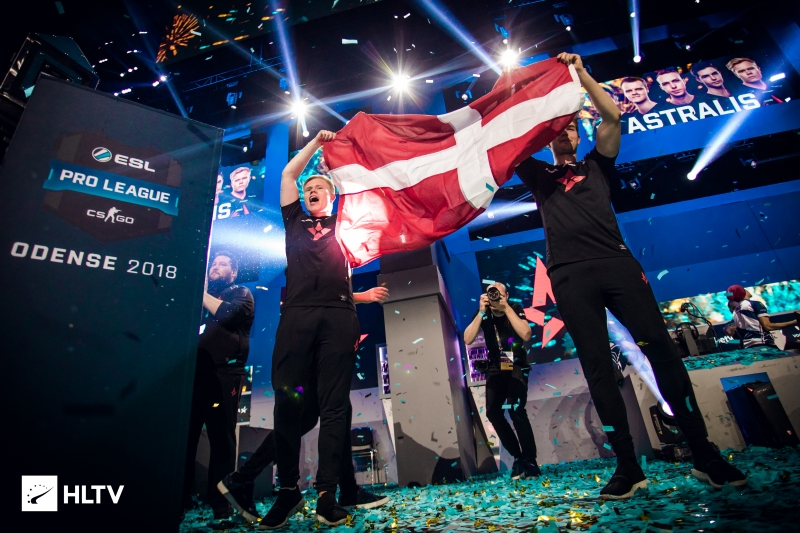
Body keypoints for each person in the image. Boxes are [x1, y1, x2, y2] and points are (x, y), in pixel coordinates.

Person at [513, 52, 747, 499]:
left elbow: (613, 115)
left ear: (580, 132)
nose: (565, 131)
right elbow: (510, 140)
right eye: (557, 127)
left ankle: (703, 452)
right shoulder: (538, 174)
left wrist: (581, 73)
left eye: (571, 126)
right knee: (597, 368)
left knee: (661, 349)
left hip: (617, 263)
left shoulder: (597, 165)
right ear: (547, 136)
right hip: (568, 275)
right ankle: (626, 465)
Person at [263, 130, 391, 528]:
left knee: (335, 407)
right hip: (296, 315)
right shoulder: (294, 220)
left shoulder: (347, 222)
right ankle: (287, 491)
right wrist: (315, 146)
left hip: (338, 317)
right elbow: (288, 174)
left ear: (333, 195)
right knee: (287, 403)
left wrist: (360, 297)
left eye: (320, 187)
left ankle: (327, 494)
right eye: (309, 189)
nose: (312, 191)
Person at [182, 251, 255, 519]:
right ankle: (180, 500)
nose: (215, 267)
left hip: (224, 374)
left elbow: (227, 314)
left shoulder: (241, 293)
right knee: (185, 440)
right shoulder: (198, 300)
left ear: (233, 272)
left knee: (221, 439)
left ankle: (221, 505)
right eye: (213, 263)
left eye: (222, 264)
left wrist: (199, 292)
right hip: (193, 375)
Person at [463, 282, 539, 480]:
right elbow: (468, 339)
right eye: (492, 293)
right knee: (493, 412)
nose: (495, 297)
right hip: (496, 364)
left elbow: (526, 334)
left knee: (516, 410)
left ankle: (530, 461)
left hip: (514, 361)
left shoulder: (514, 308)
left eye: (499, 293)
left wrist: (506, 308)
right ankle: (518, 458)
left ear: (507, 295)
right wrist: (481, 312)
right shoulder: (484, 312)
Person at [724, 285, 797, 348]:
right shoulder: (754, 304)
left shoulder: (736, 313)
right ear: (742, 292)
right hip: (763, 345)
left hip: (749, 348)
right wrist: (794, 322)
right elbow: (768, 326)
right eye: (743, 289)